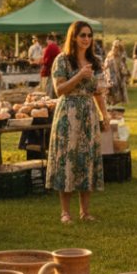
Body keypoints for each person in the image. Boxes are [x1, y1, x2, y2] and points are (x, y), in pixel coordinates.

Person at [47, 21, 108, 224]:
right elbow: (59, 89)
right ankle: (65, 212)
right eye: (82, 35)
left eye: (89, 35)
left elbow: (98, 92)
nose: (86, 39)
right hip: (68, 112)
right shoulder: (62, 60)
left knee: (86, 159)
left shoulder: (96, 61)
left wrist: (104, 115)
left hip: (88, 113)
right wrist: (79, 75)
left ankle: (85, 211)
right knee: (67, 159)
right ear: (74, 37)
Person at [104, 39, 129, 106]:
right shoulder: (109, 55)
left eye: (116, 47)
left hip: (117, 77)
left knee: (117, 92)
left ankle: (114, 105)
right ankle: (111, 104)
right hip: (109, 76)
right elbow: (105, 66)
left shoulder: (120, 57)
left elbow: (123, 68)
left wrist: (124, 75)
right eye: (114, 46)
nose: (114, 48)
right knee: (109, 92)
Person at [40, 32, 62, 97]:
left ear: (49, 40)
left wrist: (41, 62)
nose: (47, 42)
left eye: (47, 40)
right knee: (52, 89)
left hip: (50, 71)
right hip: (54, 70)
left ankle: (49, 102)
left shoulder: (50, 47)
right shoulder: (56, 47)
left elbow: (47, 61)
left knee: (49, 90)